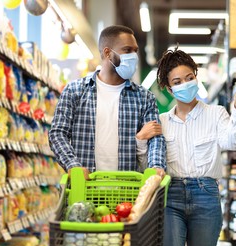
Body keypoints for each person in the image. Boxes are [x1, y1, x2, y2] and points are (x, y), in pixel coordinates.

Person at [136, 48, 236, 246]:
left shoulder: (216, 114)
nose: (185, 84)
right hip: (169, 196)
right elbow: (147, 167)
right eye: (178, 82)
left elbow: (232, 143)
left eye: (189, 78)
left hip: (206, 196)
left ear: (197, 78)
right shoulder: (161, 122)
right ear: (170, 90)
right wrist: (141, 140)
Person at [49, 25, 166, 179]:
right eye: (127, 50)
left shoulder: (144, 98)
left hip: (127, 190)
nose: (134, 56)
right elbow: (57, 133)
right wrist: (73, 165)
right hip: (85, 187)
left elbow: (155, 139)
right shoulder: (75, 91)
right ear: (108, 53)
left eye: (135, 51)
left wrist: (156, 166)